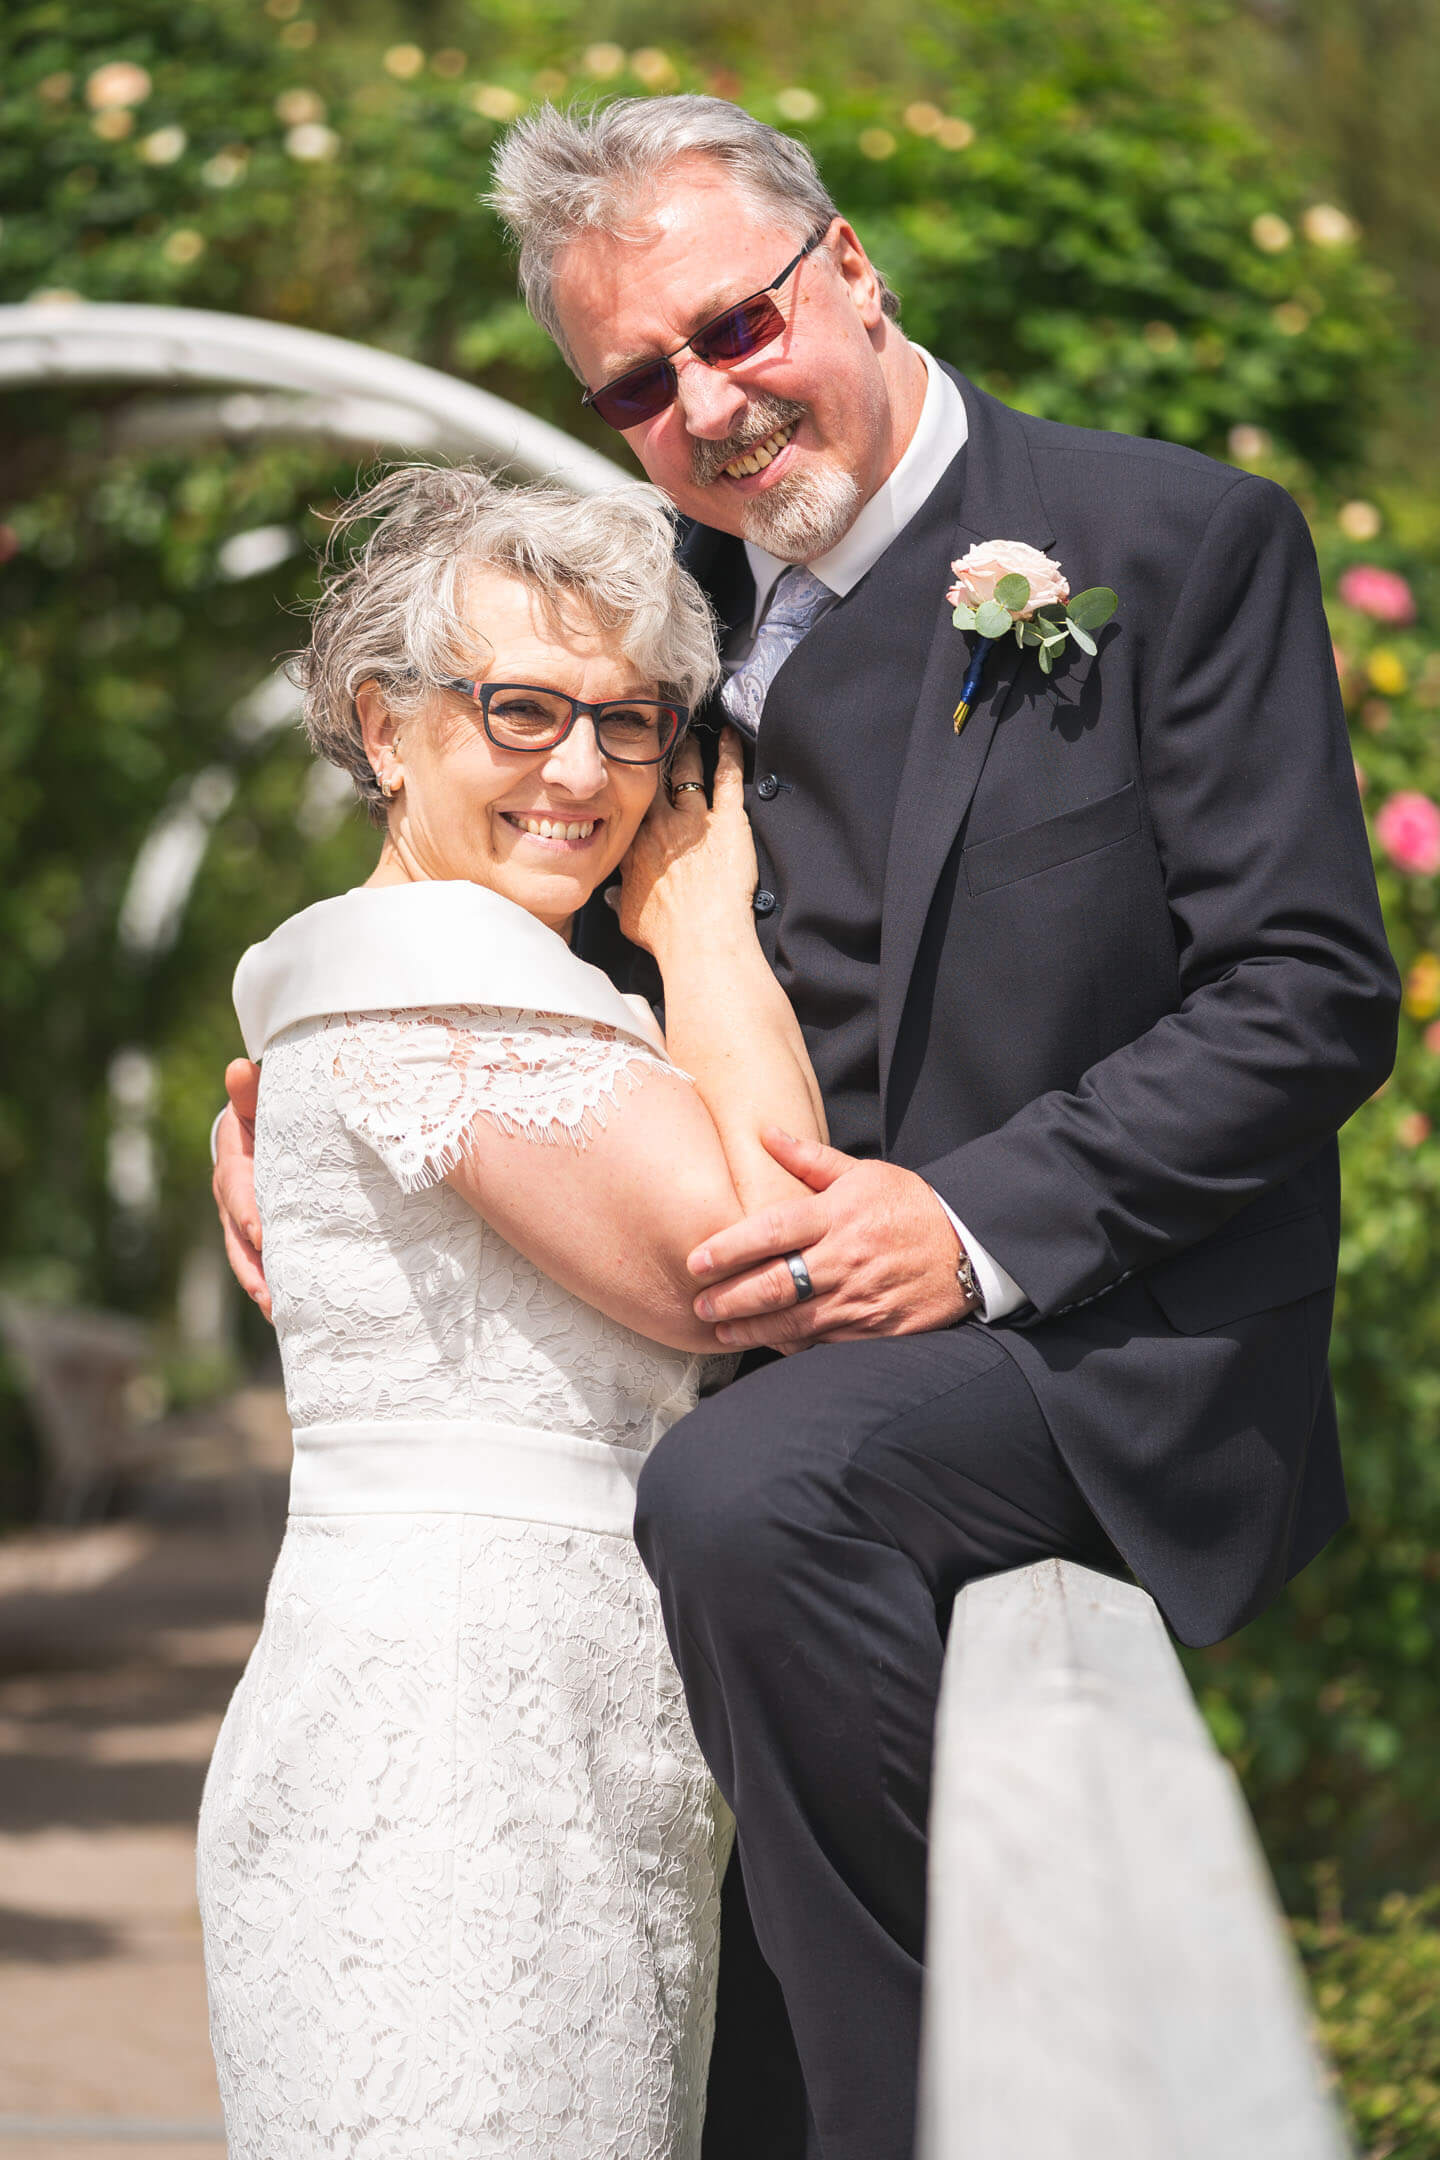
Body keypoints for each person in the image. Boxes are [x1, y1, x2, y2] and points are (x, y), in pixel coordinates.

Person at [214, 99, 1400, 2160]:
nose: (708, 404)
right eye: (637, 385)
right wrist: (300, 1112)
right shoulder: (636, 621)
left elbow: (1309, 989)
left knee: (758, 1503)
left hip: (1081, 1341)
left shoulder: (1169, 546)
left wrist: (974, 1228)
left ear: (847, 264)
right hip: (745, 1329)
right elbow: (448, 893)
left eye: (733, 326)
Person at [196, 465, 829, 2160]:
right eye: (523, 708)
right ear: (385, 725)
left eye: (630, 725)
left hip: (555, 1715)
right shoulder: (425, 975)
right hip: (454, 1747)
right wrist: (705, 933)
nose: (580, 771)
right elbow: (771, 1250)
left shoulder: (455, 966)